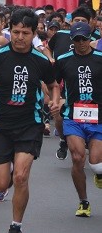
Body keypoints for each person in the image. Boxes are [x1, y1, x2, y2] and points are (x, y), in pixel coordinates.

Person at [0, 8, 61, 233]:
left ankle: (15, 225)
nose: (20, 37)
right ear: (11, 31)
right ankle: (1, 174)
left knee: (21, 176)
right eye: (17, 32)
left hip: (29, 126)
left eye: (26, 33)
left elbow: (53, 85)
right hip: (0, 127)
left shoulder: (40, 60)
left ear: (34, 34)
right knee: (1, 184)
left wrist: (56, 101)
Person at [54, 22, 102, 217]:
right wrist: (55, 100)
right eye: (77, 39)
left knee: (96, 162)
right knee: (77, 157)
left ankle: (99, 172)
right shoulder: (64, 60)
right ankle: (83, 201)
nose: (81, 42)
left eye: (84, 39)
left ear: (90, 38)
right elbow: (52, 83)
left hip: (98, 118)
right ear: (72, 41)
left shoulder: (100, 59)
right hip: (72, 117)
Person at [44, 6, 95, 160]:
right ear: (70, 22)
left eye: (83, 21)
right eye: (77, 20)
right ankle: (63, 139)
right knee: (58, 116)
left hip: (90, 91)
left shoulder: (94, 41)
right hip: (66, 87)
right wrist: (51, 58)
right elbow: (47, 49)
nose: (81, 42)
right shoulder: (60, 35)